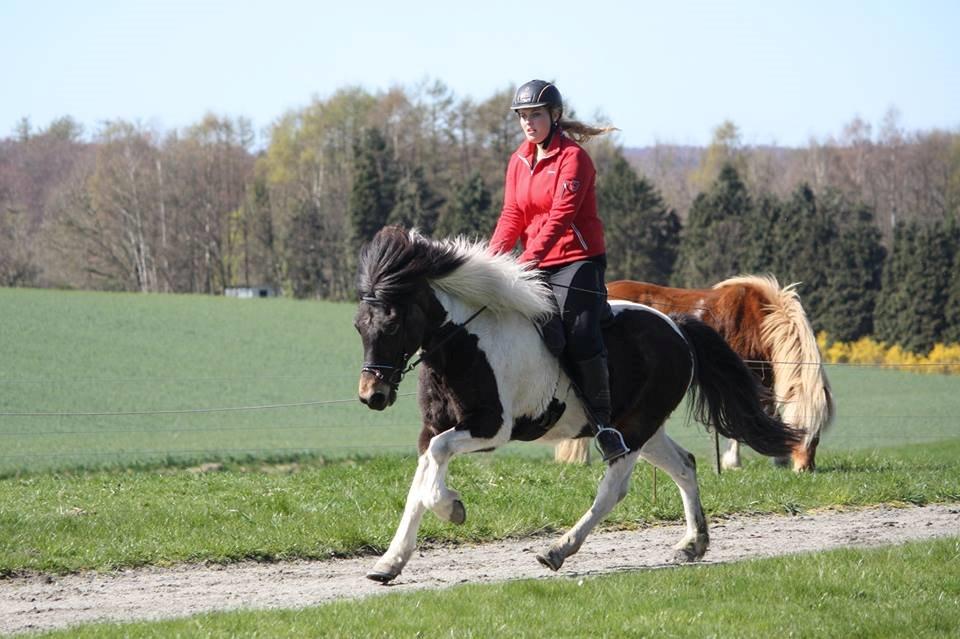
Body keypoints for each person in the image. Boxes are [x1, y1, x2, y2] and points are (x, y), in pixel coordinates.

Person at [488, 79, 629, 462]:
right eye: (522, 116)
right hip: (536, 261)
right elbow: (512, 215)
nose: (528, 123)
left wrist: (524, 262)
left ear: (554, 115)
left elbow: (560, 219)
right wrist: (490, 263)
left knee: (580, 333)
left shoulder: (574, 159)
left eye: (535, 115)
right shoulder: (518, 160)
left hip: (577, 260)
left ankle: (604, 424)